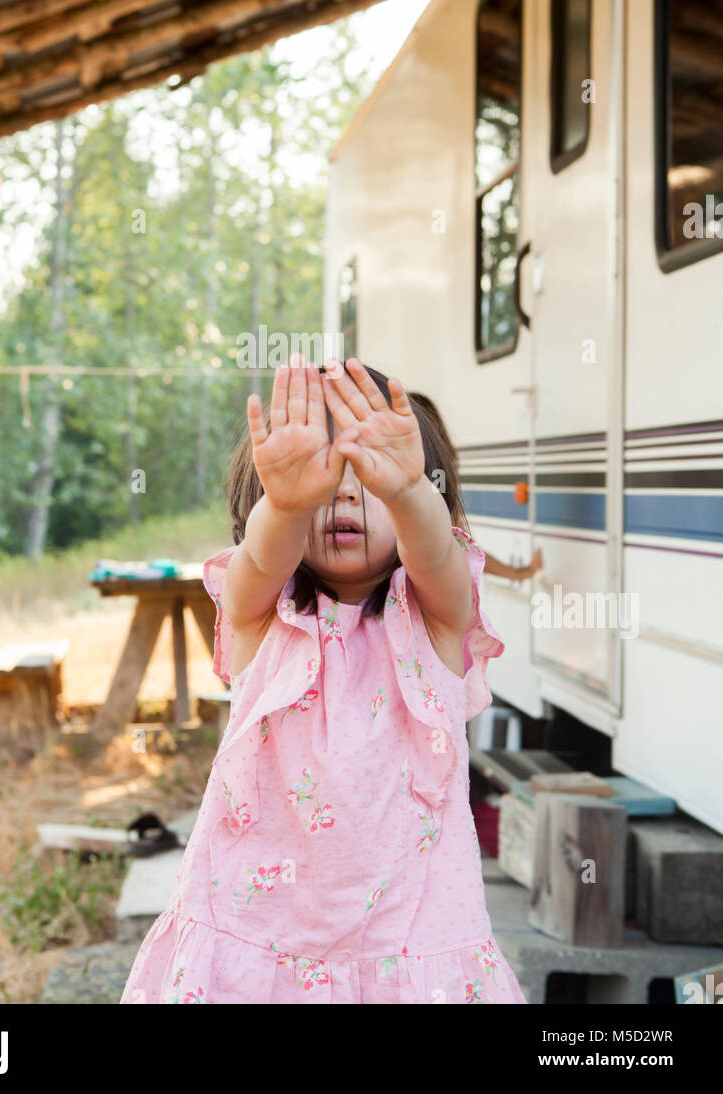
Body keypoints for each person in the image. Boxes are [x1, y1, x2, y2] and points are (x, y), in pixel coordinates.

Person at [120, 355, 526, 1005]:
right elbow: (260, 555)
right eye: (326, 475)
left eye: (366, 474)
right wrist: (286, 503)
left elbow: (438, 556)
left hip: (410, 940)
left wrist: (406, 489)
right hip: (259, 933)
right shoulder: (263, 614)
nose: (343, 492)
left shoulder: (440, 623)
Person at [408, 390, 543, 584]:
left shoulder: (433, 479)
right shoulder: (436, 478)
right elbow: (460, 541)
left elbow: (456, 539)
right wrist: (519, 573)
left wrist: (520, 573)